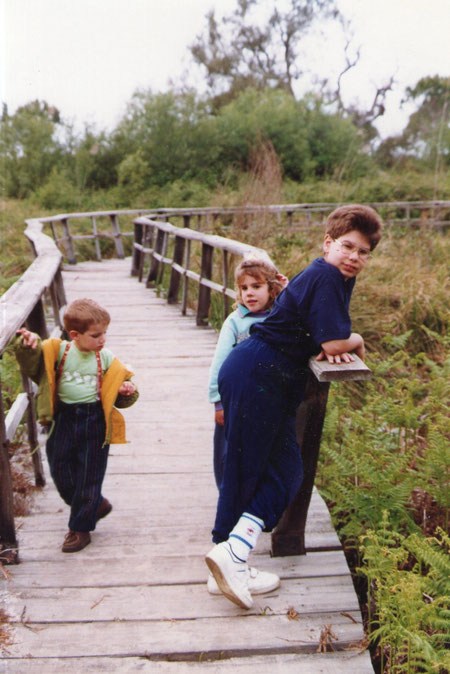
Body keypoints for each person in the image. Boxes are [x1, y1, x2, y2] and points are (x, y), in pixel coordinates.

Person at [205, 204, 383, 609]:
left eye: (364, 251)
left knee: (278, 470)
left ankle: (228, 555)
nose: (355, 256)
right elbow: (333, 343)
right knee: (263, 470)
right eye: (347, 246)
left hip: (264, 374)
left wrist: (336, 339)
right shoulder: (326, 276)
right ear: (328, 243)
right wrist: (354, 340)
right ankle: (230, 556)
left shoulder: (325, 275)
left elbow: (314, 327)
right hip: (259, 373)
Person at [13, 298, 138, 553]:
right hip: (64, 418)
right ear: (75, 335)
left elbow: (122, 391)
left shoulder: (106, 358)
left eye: (105, 333)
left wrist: (126, 391)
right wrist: (27, 346)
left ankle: (80, 528)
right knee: (60, 468)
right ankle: (94, 505)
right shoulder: (58, 352)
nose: (102, 339)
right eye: (96, 335)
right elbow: (33, 366)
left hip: (95, 421)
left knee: (90, 475)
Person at [207, 256, 286, 597]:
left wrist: (285, 288)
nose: (250, 294)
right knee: (229, 461)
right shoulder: (236, 321)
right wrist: (217, 400)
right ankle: (228, 540)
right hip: (236, 402)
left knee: (259, 465)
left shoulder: (279, 315)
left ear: (271, 288)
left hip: (267, 402)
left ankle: (236, 536)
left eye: (257, 287)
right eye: (244, 288)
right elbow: (220, 361)